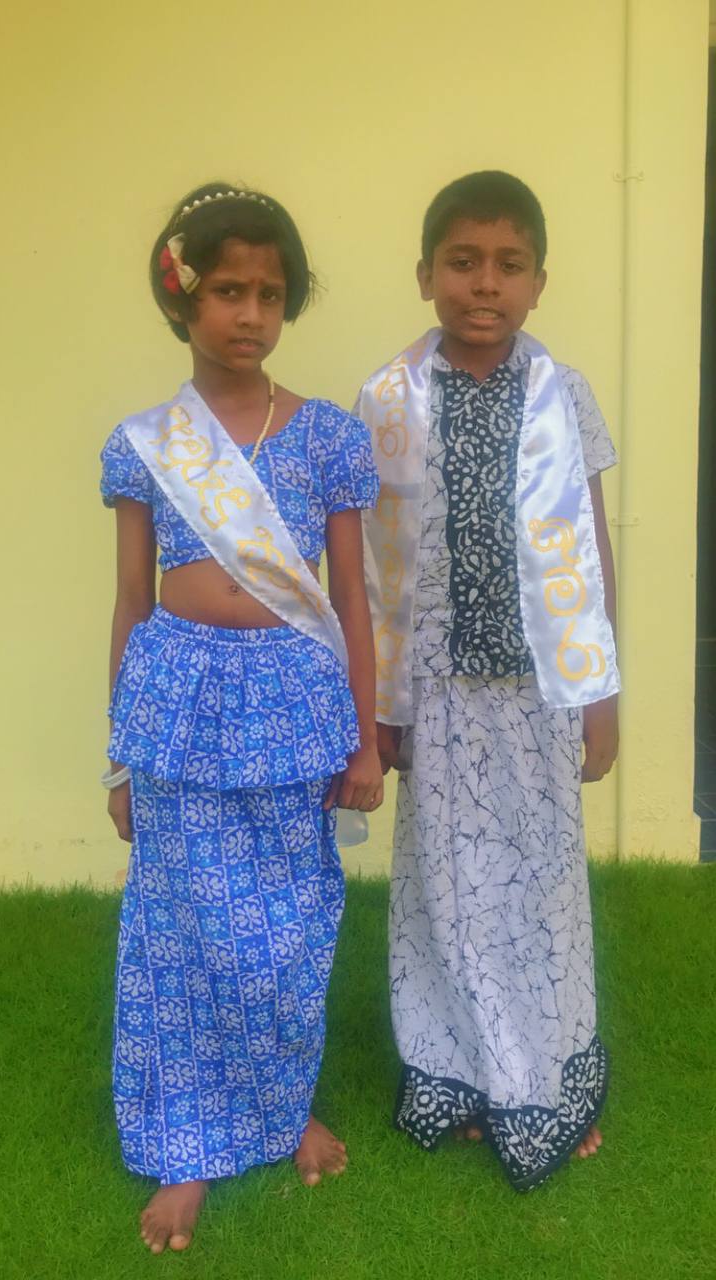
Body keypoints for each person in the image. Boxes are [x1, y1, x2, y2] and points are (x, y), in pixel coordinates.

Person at [100, 181, 382, 1252]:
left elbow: (349, 596)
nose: (249, 312)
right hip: (175, 707)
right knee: (181, 930)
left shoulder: (327, 438)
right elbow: (130, 599)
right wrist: (117, 757)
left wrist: (361, 736)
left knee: (287, 930)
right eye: (226, 288)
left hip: (291, 704)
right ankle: (186, 1145)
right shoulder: (144, 445)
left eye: (268, 291)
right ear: (182, 297)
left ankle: (275, 1109)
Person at [355, 171, 619, 1192]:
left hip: (540, 689)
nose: (483, 284)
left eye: (507, 265)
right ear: (424, 274)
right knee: (445, 889)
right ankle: (456, 1070)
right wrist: (373, 710)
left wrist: (602, 692)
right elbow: (361, 570)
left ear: (539, 282)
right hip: (433, 696)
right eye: (462, 262)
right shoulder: (383, 401)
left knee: (539, 882)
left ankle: (541, 1075)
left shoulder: (565, 395)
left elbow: (589, 547)